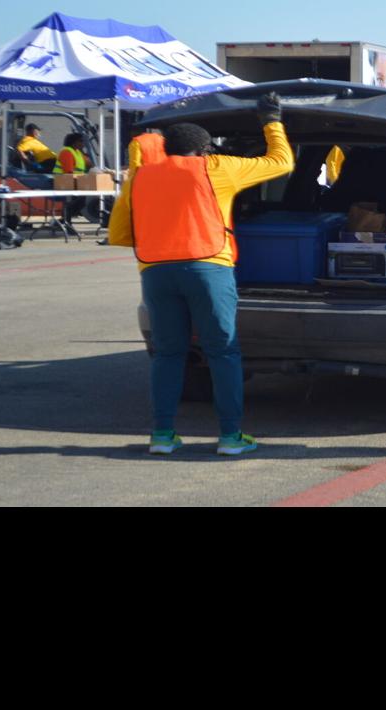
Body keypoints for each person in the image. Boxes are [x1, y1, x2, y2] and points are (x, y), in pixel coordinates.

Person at [107, 94, 294, 457]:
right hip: (208, 267)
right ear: (205, 149)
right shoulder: (217, 167)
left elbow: (122, 225)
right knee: (222, 352)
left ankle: (162, 435)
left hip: (156, 273)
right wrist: (271, 119)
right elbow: (281, 162)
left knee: (167, 354)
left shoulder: (142, 176)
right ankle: (230, 436)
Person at [53, 133, 89, 232]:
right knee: (77, 201)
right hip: (65, 181)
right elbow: (68, 171)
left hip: (75, 182)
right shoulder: (66, 152)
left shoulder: (77, 152)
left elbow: (86, 165)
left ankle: (63, 221)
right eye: (81, 141)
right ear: (74, 142)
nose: (83, 143)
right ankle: (65, 222)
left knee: (81, 201)